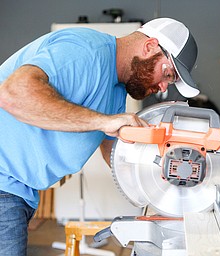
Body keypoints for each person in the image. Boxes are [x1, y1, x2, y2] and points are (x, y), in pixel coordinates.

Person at [0, 17, 199, 255]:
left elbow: (115, 155)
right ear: (150, 46)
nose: (164, 87)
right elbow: (13, 93)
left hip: (20, 191)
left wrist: (163, 183)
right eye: (168, 74)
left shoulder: (116, 91)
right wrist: (104, 122)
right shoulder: (85, 51)